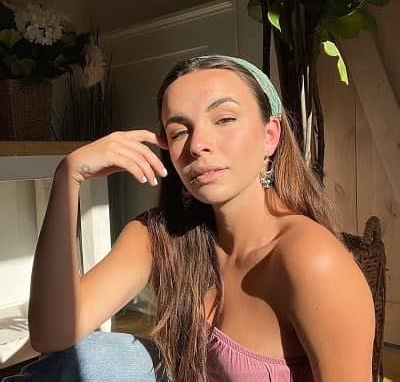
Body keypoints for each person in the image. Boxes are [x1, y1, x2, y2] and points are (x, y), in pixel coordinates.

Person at [2, 55, 375, 382]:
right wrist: (69, 177)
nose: (197, 145)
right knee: (98, 357)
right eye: (179, 131)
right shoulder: (162, 235)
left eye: (224, 119)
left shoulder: (312, 261)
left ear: (270, 136)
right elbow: (52, 334)